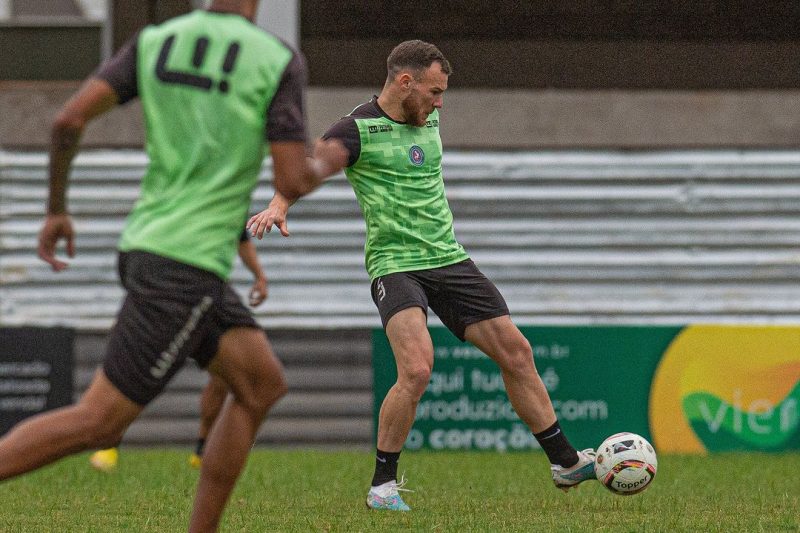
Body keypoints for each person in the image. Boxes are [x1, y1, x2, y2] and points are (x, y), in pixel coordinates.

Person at [0, 1, 344, 532]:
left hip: (151, 244)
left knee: (260, 385)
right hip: (187, 266)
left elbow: (67, 120)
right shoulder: (276, 59)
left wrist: (56, 211)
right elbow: (293, 179)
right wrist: (332, 155)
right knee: (100, 422)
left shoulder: (157, 39)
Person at [247, 39, 598, 512]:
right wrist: (279, 203)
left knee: (517, 352)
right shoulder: (356, 130)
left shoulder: (424, 114)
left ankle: (565, 462)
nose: (439, 103)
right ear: (404, 81)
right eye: (433, 92)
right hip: (396, 265)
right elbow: (310, 168)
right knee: (417, 368)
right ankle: (382, 486)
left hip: (449, 259)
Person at [89, 230, 268, 472]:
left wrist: (259, 276)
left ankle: (202, 451)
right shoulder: (177, 208)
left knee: (229, 377)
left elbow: (241, 235)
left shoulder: (226, 199)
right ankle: (109, 443)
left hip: (207, 289)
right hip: (169, 287)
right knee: (136, 374)